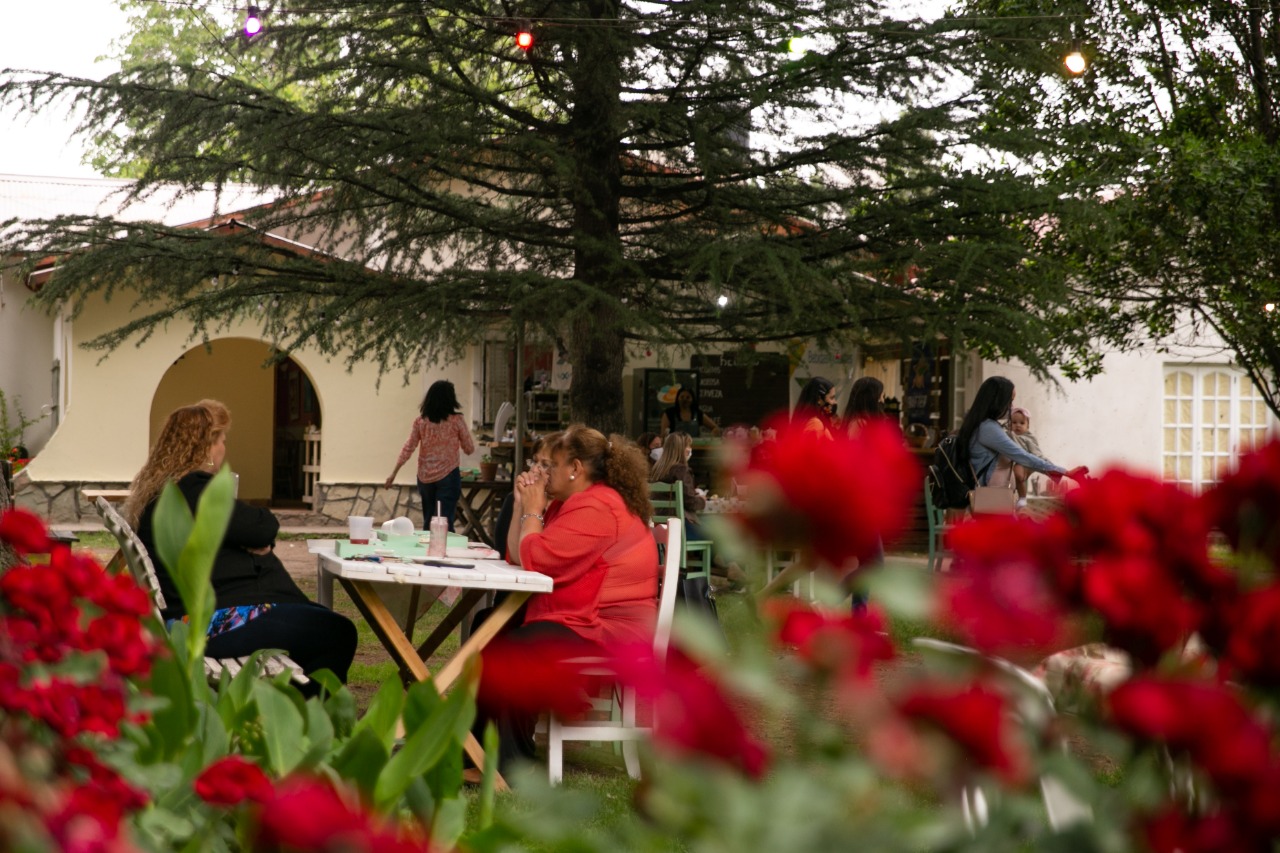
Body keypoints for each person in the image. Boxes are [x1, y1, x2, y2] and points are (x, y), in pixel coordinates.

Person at [122, 400, 357, 692]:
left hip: (192, 615)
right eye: (222, 440)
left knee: (320, 626)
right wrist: (252, 541)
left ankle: (296, 713)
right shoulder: (195, 490)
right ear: (205, 447)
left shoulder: (167, 491)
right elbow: (262, 526)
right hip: (209, 623)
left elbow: (249, 529)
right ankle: (312, 718)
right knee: (338, 631)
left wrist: (245, 540)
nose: (224, 448)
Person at [476, 425, 657, 769]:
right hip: (585, 615)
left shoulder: (599, 507)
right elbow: (520, 555)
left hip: (610, 630)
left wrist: (533, 510)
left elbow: (538, 559)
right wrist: (522, 506)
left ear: (575, 468)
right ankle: (475, 749)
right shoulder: (572, 502)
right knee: (491, 625)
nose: (543, 473)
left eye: (550, 465)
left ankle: (513, 765)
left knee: (518, 647)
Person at [955, 377, 1085, 495]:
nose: (1012, 407)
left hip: (994, 498)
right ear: (998, 401)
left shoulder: (983, 425)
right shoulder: (988, 428)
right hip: (991, 500)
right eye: (1010, 401)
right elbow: (1022, 455)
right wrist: (1065, 473)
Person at [650, 431, 745, 591]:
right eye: (688, 446)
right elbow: (690, 502)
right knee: (719, 528)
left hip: (661, 527)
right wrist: (700, 499)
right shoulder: (681, 470)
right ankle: (729, 566)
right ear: (681, 449)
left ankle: (728, 565)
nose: (690, 449)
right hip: (682, 529)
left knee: (713, 528)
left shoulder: (657, 470)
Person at [385, 380, 476, 531]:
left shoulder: (420, 422)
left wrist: (394, 473)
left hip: (425, 477)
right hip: (448, 475)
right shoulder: (457, 420)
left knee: (429, 522)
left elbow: (408, 447)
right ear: (450, 399)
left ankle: (427, 552)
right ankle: (443, 552)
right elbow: (469, 448)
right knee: (444, 522)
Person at [1008, 406, 1047, 505]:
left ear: (1028, 426)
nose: (1018, 425)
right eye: (1014, 422)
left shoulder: (1029, 437)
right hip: (1010, 463)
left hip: (1023, 462)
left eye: (1022, 423)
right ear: (1009, 424)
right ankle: (1016, 497)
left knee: (1018, 475)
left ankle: (1022, 497)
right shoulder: (1008, 435)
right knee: (1014, 481)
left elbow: (1036, 452)